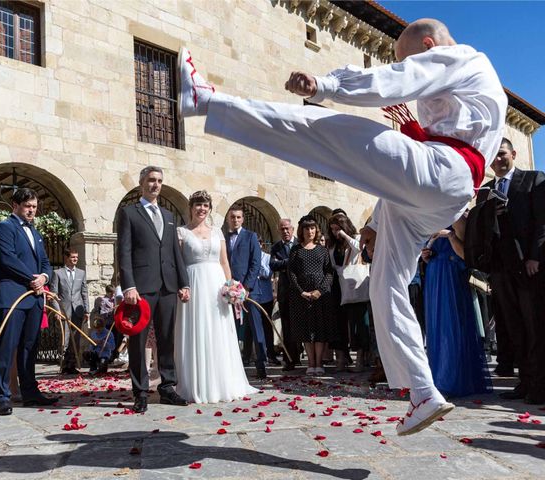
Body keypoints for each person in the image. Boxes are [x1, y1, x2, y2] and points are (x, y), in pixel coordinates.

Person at [177, 18, 506, 434]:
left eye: (406, 56)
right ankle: (424, 393)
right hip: (441, 191)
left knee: (326, 130)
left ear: (427, 46)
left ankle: (208, 100)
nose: (406, 64)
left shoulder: (462, 57)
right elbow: (444, 140)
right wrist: (381, 212)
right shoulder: (476, 91)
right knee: (387, 284)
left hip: (445, 172)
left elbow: (402, 78)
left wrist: (327, 86)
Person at [476, 138, 545, 404]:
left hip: (528, 269)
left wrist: (535, 257)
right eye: (493, 157)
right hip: (500, 271)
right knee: (514, 329)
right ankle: (525, 382)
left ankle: (540, 386)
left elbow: (541, 223)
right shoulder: (486, 191)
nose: (497, 160)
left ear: (514, 154)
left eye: (502, 154)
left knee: (534, 327)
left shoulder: (533, 180)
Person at [117, 166, 190, 414]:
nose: (155, 185)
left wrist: (183, 283)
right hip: (141, 288)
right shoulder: (129, 213)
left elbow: (174, 252)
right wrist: (128, 285)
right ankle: (140, 392)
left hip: (168, 286)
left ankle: (168, 388)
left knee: (167, 338)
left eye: (159, 181)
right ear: (141, 184)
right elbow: (124, 252)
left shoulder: (169, 215)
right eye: (151, 180)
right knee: (138, 342)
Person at [175, 190, 257, 403]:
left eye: (205, 205)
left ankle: (223, 382)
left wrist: (231, 287)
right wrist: (182, 286)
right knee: (197, 329)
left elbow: (224, 262)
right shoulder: (181, 232)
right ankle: (197, 383)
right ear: (191, 207)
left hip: (216, 285)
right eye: (198, 205)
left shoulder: (217, 233)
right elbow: (179, 264)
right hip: (193, 283)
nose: (202, 209)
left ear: (210, 209)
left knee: (219, 330)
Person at [0, 188, 55, 416]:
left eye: (34, 207)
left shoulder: (35, 233)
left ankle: (30, 392)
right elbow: (7, 259)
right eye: (27, 206)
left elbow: (45, 262)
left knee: (30, 347)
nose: (31, 210)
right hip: (12, 296)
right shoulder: (3, 228)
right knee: (7, 346)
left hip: (34, 298)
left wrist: (44, 277)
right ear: (15, 206)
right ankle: (2, 396)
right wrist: (32, 279)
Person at [421, 218, 492, 397]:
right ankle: (438, 378)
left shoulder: (458, 218)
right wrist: (426, 257)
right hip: (435, 275)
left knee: (451, 327)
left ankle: (452, 380)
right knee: (437, 328)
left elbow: (465, 255)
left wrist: (449, 235)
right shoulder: (432, 216)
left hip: (452, 278)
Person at [225, 204, 267, 379]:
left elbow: (255, 263)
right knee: (230, 329)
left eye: (238, 217)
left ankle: (261, 364)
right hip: (228, 290)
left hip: (250, 291)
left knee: (256, 328)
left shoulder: (251, 237)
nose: (235, 220)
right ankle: (233, 366)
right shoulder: (223, 238)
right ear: (228, 219)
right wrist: (229, 286)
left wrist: (246, 288)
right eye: (232, 217)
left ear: (243, 219)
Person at [288, 216, 333, 375]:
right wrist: (301, 291)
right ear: (302, 231)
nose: (310, 231)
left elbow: (329, 272)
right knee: (306, 331)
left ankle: (319, 363)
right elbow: (291, 273)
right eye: (307, 228)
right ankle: (311, 363)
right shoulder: (296, 250)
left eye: (312, 228)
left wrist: (319, 290)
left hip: (320, 296)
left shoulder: (322, 250)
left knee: (319, 331)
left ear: (316, 230)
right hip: (302, 296)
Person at [328, 213, 371, 372]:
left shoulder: (355, 238)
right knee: (344, 324)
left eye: (337, 228)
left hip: (357, 286)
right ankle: (342, 359)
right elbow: (333, 264)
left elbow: (360, 249)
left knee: (361, 323)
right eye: (332, 229)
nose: (335, 232)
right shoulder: (333, 246)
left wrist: (345, 235)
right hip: (341, 287)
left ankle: (360, 359)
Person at [49, 248, 90, 374]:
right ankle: (63, 365)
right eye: (73, 257)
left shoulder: (81, 273)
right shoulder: (57, 273)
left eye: (76, 257)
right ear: (66, 258)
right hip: (64, 310)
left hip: (78, 311)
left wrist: (87, 311)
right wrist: (57, 311)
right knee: (64, 339)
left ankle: (72, 365)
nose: (75, 259)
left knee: (76, 339)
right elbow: (53, 294)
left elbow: (84, 292)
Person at [270, 219, 299, 371]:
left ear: (293, 229)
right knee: (286, 325)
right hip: (284, 290)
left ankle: (301, 355)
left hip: (300, 289)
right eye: (282, 229)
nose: (285, 231)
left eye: (287, 228)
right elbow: (273, 265)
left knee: (300, 324)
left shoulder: (300, 244)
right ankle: (290, 358)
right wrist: (291, 261)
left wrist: (284, 263)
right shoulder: (276, 247)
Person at [257, 237, 279, 366]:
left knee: (267, 326)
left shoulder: (266, 257)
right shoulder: (247, 256)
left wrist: (256, 263)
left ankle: (271, 354)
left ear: (260, 244)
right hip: (253, 296)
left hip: (265, 296)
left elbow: (267, 273)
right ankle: (253, 355)